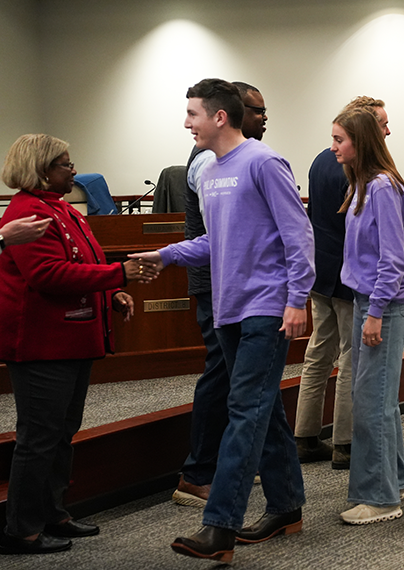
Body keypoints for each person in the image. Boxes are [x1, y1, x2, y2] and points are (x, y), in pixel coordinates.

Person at [132, 79, 314, 563]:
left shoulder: (263, 161)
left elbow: (298, 235)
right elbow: (217, 241)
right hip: (228, 308)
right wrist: (167, 253)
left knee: (244, 412)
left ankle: (220, 526)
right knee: (262, 408)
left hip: (267, 308)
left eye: (192, 113)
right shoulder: (208, 171)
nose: (186, 122)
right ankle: (287, 506)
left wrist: (297, 300)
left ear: (218, 117)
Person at [0, 134, 154, 555]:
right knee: (40, 436)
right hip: (41, 343)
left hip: (72, 339)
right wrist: (119, 276)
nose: (73, 170)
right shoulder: (28, 213)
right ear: (41, 169)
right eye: (65, 164)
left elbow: (86, 262)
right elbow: (48, 276)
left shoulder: (63, 208)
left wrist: (111, 291)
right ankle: (22, 529)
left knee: (63, 432)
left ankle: (53, 513)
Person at [172, 80, 269, 508]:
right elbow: (221, 235)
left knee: (245, 383)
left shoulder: (247, 159)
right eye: (256, 111)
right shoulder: (208, 162)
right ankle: (197, 473)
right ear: (229, 114)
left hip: (237, 281)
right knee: (221, 375)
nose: (263, 118)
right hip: (217, 282)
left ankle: (246, 463)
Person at [295, 96, 390, 469]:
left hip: (320, 267)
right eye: (381, 123)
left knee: (319, 351)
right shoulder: (357, 170)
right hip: (349, 274)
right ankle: (345, 444)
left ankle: (305, 435)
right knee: (352, 354)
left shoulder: (321, 159)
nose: (387, 130)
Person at [331, 107, 404, 524]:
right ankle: (395, 480)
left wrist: (376, 312)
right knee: (378, 399)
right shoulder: (364, 185)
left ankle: (380, 499)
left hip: (382, 304)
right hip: (370, 300)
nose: (333, 148)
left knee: (370, 403)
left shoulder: (381, 188)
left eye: (339, 140)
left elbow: (391, 258)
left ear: (360, 143)